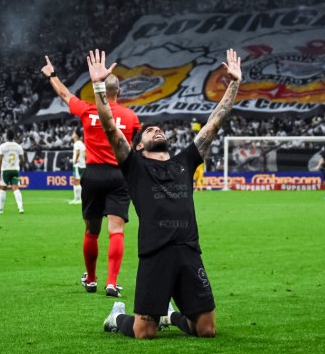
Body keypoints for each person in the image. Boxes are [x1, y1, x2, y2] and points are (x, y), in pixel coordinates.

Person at [87, 48, 241, 338]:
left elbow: (214, 123)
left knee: (206, 329)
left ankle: (171, 316)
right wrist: (98, 86)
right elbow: (109, 126)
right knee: (144, 332)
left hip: (188, 251)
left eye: (159, 130)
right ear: (139, 146)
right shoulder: (134, 167)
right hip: (155, 254)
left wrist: (233, 83)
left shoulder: (184, 161)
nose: (157, 131)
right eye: (149, 131)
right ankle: (116, 317)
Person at [41, 55, 141, 297]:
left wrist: (52, 75)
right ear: (119, 91)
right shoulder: (130, 117)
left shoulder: (88, 109)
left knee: (91, 230)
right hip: (119, 174)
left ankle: (92, 279)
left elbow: (65, 95)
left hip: (93, 174)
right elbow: (136, 147)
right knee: (116, 229)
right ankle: (111, 282)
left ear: (100, 90)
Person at [0, 129, 25, 214]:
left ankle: (0, 209)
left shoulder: (2, 146)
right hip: (15, 169)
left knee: (3, 188)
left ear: (6, 136)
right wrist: (17, 164)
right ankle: (20, 208)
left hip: (6, 170)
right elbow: (23, 159)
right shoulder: (18, 146)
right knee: (15, 189)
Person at [69, 128, 86, 205]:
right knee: (78, 181)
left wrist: (76, 160)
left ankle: (78, 198)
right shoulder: (82, 143)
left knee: (76, 181)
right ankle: (77, 198)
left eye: (73, 133)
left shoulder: (76, 144)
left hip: (77, 164)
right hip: (82, 164)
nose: (72, 135)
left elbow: (78, 151)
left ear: (76, 135)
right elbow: (85, 154)